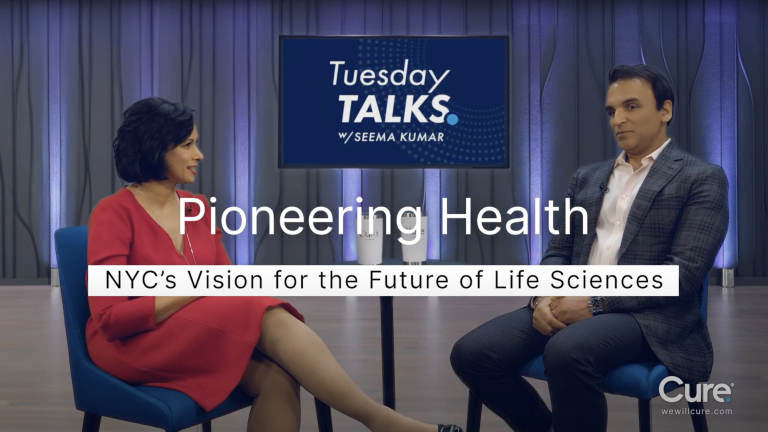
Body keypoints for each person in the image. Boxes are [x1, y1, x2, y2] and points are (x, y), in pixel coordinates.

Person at [86, 97, 462, 432]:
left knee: (279, 376)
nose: (198, 155)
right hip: (132, 345)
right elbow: (110, 319)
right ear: (155, 148)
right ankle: (381, 422)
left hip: (190, 334)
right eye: (188, 145)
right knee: (259, 310)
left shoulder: (196, 209)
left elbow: (225, 285)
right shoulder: (113, 212)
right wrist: (192, 289)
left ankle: (381, 422)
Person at [449, 64, 729, 432]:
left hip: (650, 319)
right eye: (612, 111)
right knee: (471, 354)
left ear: (665, 110)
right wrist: (542, 298)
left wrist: (595, 303)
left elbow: (682, 275)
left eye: (631, 106)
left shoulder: (701, 178)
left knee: (567, 351)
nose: (619, 120)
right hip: (570, 303)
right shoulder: (588, 178)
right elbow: (557, 252)